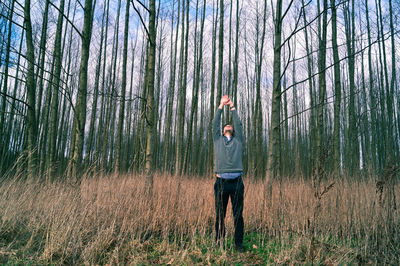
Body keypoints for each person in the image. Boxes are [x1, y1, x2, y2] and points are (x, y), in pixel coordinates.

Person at [212, 94, 245, 252]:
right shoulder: (217, 140)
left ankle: (238, 245)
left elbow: (238, 123)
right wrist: (220, 106)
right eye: (226, 127)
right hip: (221, 183)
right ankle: (219, 243)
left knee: (238, 215)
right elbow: (214, 124)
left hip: (237, 182)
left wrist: (231, 106)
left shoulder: (238, 140)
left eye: (229, 127)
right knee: (220, 214)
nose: (228, 127)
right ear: (223, 130)